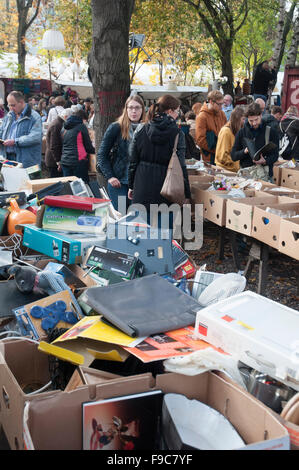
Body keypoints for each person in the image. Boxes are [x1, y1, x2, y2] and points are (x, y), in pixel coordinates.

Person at [128, 94, 191, 227]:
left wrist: (131, 185)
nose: (178, 114)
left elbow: (133, 161)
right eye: (177, 111)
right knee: (163, 236)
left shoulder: (141, 129)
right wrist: (186, 193)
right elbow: (181, 165)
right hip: (167, 189)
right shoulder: (178, 134)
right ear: (169, 111)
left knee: (141, 235)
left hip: (142, 185)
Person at [97, 95, 146, 213]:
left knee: (138, 220)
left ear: (143, 110)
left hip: (140, 183)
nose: (134, 111)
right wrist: (110, 176)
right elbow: (102, 155)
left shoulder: (147, 129)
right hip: (119, 183)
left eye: (137, 108)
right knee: (121, 218)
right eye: (131, 107)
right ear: (126, 109)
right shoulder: (116, 127)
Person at [231, 102, 279, 180]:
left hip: (264, 175)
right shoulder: (242, 132)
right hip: (246, 176)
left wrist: (265, 161)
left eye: (256, 119)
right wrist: (244, 151)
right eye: (251, 121)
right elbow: (233, 155)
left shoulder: (271, 132)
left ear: (261, 115)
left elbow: (275, 155)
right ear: (247, 119)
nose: (254, 123)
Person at [0, 90, 42, 168]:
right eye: (9, 105)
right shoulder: (9, 116)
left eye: (13, 105)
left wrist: (15, 141)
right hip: (7, 158)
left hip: (26, 161)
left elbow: (35, 137)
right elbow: (2, 130)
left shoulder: (34, 117)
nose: (10, 108)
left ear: (22, 102)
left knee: (25, 180)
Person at [59, 109, 95, 183]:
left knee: (69, 186)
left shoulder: (64, 127)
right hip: (78, 161)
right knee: (83, 185)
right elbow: (88, 147)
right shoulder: (81, 127)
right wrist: (96, 150)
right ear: (83, 119)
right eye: (85, 120)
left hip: (65, 161)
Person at [195, 90, 227, 164]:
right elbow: (200, 140)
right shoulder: (202, 116)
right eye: (219, 104)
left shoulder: (222, 114)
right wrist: (217, 150)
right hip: (209, 159)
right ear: (211, 102)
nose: (221, 107)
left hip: (222, 156)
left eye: (222, 104)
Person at [215, 106, 245, 173]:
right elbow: (222, 156)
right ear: (237, 119)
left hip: (233, 170)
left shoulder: (235, 131)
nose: (245, 121)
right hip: (225, 171)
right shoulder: (226, 132)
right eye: (243, 119)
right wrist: (236, 160)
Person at [45, 107, 72, 177]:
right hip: (53, 160)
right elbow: (54, 145)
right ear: (66, 117)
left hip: (53, 159)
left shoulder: (57, 123)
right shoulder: (57, 125)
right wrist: (58, 161)